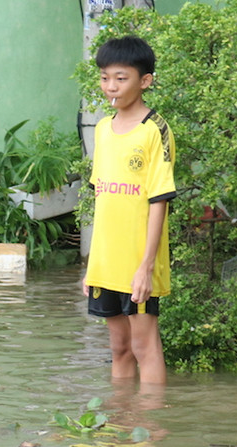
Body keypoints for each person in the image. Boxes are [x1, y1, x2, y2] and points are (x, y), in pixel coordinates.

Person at [83, 36, 176, 386]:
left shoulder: (156, 130)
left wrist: (146, 267)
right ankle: (122, 429)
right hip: (106, 264)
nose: (111, 87)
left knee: (144, 346)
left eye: (121, 78)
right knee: (119, 347)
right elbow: (102, 201)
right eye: (105, 77)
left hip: (139, 262)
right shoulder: (103, 129)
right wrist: (92, 265)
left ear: (145, 81)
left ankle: (151, 433)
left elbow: (159, 200)